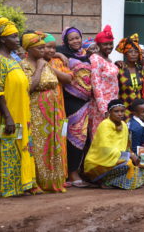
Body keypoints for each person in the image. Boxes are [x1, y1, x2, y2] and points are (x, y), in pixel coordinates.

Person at [0, 18, 39, 197]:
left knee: (22, 147)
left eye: (18, 36)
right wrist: (7, 116)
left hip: (22, 112)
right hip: (9, 114)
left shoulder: (13, 59)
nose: (17, 40)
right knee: (7, 148)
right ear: (3, 39)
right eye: (13, 36)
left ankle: (23, 184)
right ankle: (6, 187)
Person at [20, 32, 67, 193]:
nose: (43, 50)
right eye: (39, 48)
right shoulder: (24, 65)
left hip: (52, 112)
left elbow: (61, 80)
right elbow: (30, 87)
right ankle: (37, 182)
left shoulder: (47, 63)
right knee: (38, 146)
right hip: (36, 112)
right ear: (29, 49)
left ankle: (52, 181)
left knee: (53, 144)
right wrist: (39, 68)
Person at [84, 99, 144, 189]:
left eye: (122, 111)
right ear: (109, 112)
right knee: (128, 164)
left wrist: (135, 157)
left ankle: (110, 182)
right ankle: (103, 181)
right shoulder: (105, 125)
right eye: (116, 111)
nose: (120, 114)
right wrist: (128, 156)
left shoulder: (124, 125)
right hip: (98, 162)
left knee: (139, 167)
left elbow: (126, 147)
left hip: (117, 158)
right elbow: (105, 150)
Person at [57, 26, 93, 188]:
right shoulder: (62, 53)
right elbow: (46, 53)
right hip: (70, 101)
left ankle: (78, 169)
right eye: (71, 39)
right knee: (73, 136)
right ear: (66, 41)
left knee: (84, 137)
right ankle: (71, 172)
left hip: (87, 102)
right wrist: (58, 54)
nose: (75, 41)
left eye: (77, 37)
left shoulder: (88, 55)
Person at [89, 25, 120, 139]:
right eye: (105, 44)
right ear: (98, 45)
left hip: (113, 105)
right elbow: (96, 85)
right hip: (101, 107)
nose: (109, 47)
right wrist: (104, 110)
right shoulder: (96, 59)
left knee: (111, 137)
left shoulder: (109, 60)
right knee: (101, 137)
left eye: (110, 44)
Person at [116, 34, 144, 117]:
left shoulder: (141, 70)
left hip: (138, 111)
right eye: (130, 52)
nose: (133, 54)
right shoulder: (119, 69)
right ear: (125, 54)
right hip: (123, 110)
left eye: (136, 52)